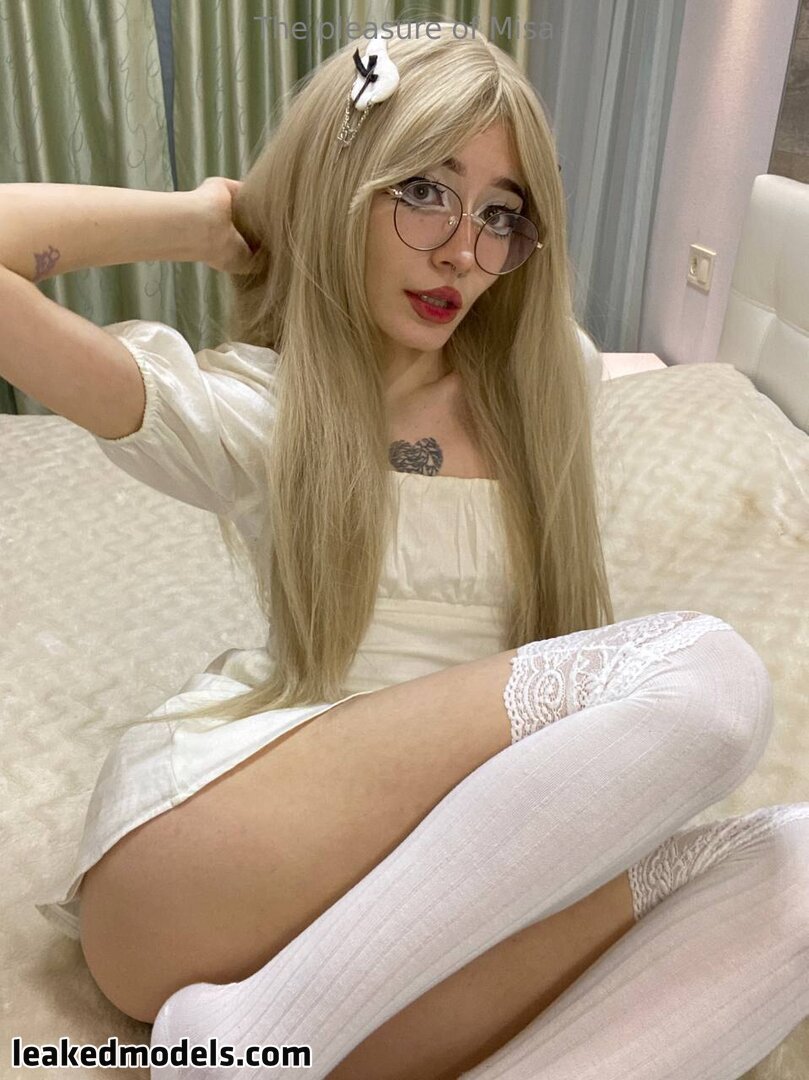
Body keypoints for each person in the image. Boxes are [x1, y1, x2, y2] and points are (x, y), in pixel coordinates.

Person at [4, 22, 806, 1080]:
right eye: (424, 192)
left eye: (500, 214)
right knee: (708, 672)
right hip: (234, 862)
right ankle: (249, 1040)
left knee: (799, 865)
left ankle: (252, 1049)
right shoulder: (265, 408)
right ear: (340, 189)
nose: (463, 253)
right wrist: (213, 220)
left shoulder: (548, 383)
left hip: (429, 915)